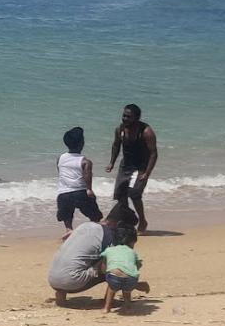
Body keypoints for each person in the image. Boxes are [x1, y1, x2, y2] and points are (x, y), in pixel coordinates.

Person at [47, 202, 148, 306]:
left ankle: (61, 294)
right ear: (119, 224)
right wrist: (133, 284)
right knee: (117, 262)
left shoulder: (85, 225)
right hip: (72, 282)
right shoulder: (109, 236)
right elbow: (117, 265)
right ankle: (108, 301)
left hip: (53, 279)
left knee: (85, 259)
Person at [105, 104, 157, 233]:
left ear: (137, 118)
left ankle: (142, 220)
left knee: (134, 194)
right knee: (120, 195)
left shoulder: (146, 132)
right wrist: (111, 163)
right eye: (124, 115)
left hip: (141, 167)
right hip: (126, 166)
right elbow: (116, 146)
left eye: (128, 117)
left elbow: (153, 153)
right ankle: (126, 222)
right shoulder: (120, 130)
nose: (125, 118)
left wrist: (147, 173)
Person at [55, 127, 101, 238]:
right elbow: (87, 176)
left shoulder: (60, 158)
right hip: (80, 193)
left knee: (66, 214)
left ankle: (68, 229)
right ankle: (95, 229)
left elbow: (61, 173)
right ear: (82, 143)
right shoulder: (85, 161)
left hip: (63, 194)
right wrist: (89, 189)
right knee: (95, 216)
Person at [100, 225, 143, 313]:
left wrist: (105, 272)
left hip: (114, 275)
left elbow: (104, 265)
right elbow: (138, 265)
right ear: (132, 242)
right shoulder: (132, 252)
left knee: (111, 289)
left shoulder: (109, 250)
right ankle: (127, 306)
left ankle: (107, 308)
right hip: (132, 278)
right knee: (127, 291)